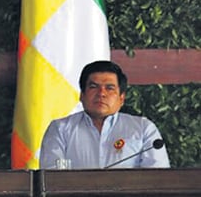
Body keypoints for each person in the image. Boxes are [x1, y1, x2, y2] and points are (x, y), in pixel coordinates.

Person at [39, 60, 170, 169]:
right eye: (93, 87)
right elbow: (51, 179)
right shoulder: (60, 129)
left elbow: (157, 179)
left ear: (121, 98)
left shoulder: (143, 129)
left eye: (109, 88)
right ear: (82, 95)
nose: (101, 93)